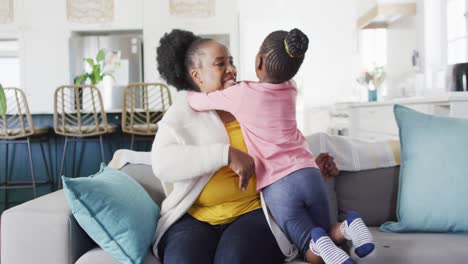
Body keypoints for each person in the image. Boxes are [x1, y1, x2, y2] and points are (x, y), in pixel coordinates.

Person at [186, 28, 375, 264]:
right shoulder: (291, 88)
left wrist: (190, 88)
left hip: (279, 185)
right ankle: (349, 225)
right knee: (328, 232)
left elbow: (197, 101)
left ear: (258, 61)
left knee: (307, 246)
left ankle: (321, 243)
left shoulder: (241, 94)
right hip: (310, 173)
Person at [151, 29, 339, 264]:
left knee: (234, 259)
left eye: (231, 61)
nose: (231, 69)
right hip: (195, 218)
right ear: (197, 76)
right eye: (221, 64)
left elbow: (283, 146)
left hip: (252, 213)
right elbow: (162, 164)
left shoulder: (251, 99)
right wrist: (225, 154)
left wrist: (310, 166)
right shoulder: (181, 114)